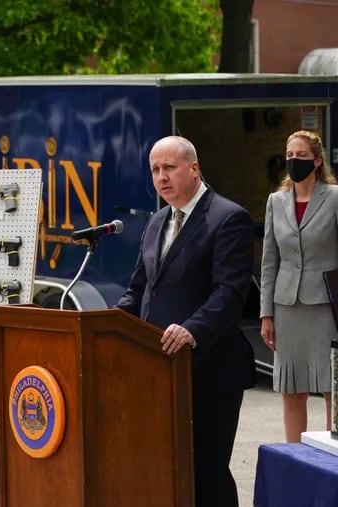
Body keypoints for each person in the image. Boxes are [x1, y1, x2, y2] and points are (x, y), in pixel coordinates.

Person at [116, 135, 256, 507]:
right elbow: (140, 289)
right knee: (164, 468)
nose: (161, 177)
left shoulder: (228, 218)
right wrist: (109, 323)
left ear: (194, 169)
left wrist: (192, 329)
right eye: (155, 170)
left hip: (209, 370)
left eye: (169, 168)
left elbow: (229, 293)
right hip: (157, 370)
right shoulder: (156, 221)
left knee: (206, 472)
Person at [259, 129, 337, 443]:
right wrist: (266, 313)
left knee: (331, 384)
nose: (293, 161)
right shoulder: (276, 202)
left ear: (317, 161)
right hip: (286, 306)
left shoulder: (334, 198)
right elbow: (269, 261)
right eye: (290, 156)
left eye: (301, 156)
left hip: (326, 306)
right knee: (292, 388)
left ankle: (334, 454)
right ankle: (296, 455)